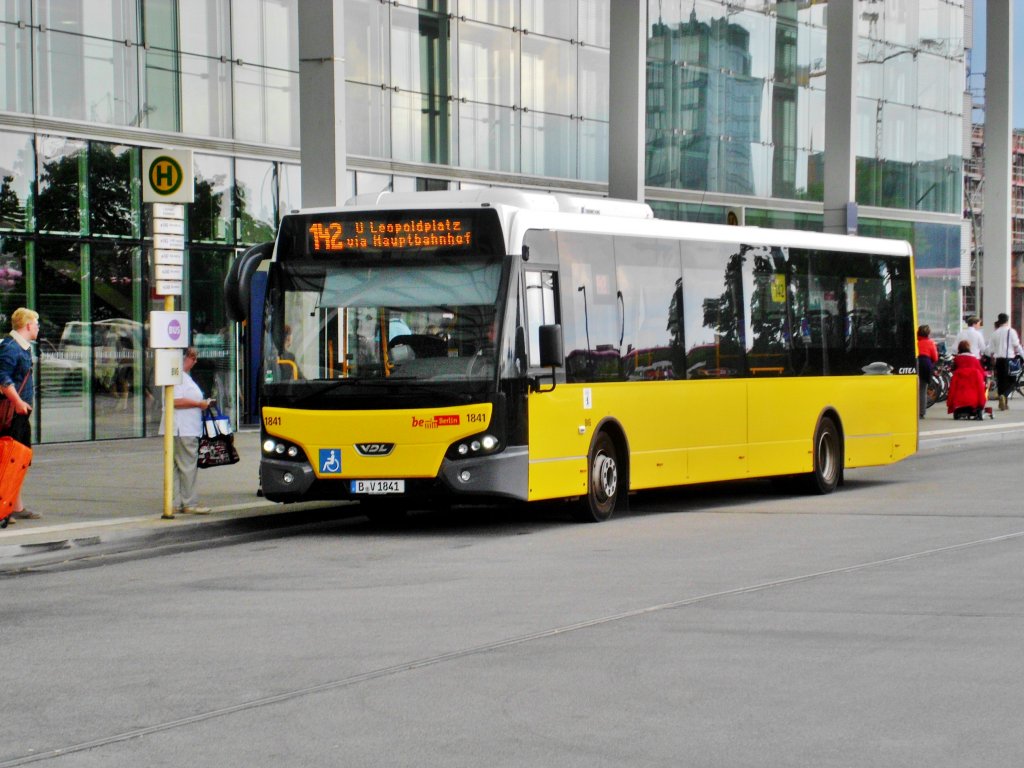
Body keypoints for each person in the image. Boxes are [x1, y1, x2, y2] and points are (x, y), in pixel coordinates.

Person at [160, 346, 214, 515]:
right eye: (193, 358)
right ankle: (189, 502)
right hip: (183, 428)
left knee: (175, 466)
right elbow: (175, 401)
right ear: (185, 358)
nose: (195, 361)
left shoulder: (179, 376)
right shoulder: (178, 377)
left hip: (180, 428)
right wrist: (200, 404)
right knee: (188, 466)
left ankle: (174, 501)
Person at [0, 308, 40, 522]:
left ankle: (14, 505)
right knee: (11, 458)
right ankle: (6, 506)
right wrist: (17, 401)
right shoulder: (11, 347)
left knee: (19, 459)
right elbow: (3, 376)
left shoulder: (22, 347)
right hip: (12, 412)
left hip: (20, 412)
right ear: (27, 326)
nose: (38, 328)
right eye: (36, 324)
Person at [984, 312, 1024, 411]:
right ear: (1007, 320)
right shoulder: (1011, 331)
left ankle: (1003, 402)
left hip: (999, 361)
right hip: (1009, 360)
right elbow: (1016, 345)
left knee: (1001, 381)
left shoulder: (995, 333)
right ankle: (1004, 395)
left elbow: (990, 350)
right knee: (1012, 381)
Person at [946, 339, 987, 417]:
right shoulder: (974, 360)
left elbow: (952, 369)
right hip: (974, 390)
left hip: (960, 393)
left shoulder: (957, 359)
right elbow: (981, 372)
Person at [916, 324, 938, 419]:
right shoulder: (930, 343)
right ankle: (921, 412)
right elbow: (935, 357)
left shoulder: (916, 342)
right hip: (925, 364)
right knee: (922, 390)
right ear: (928, 333)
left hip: (915, 363)